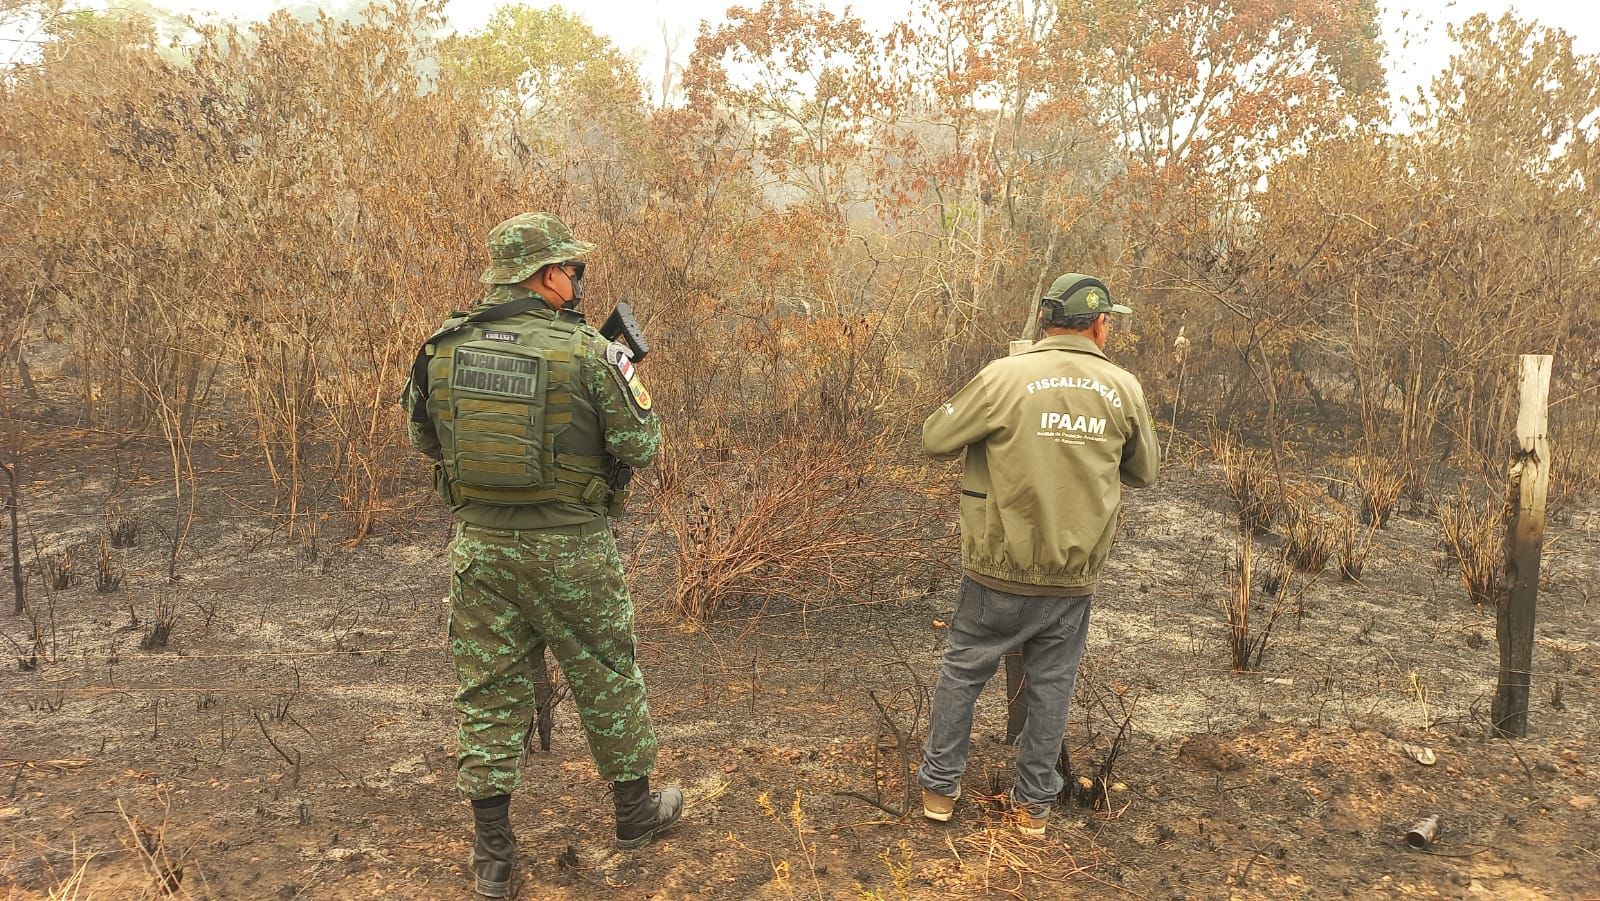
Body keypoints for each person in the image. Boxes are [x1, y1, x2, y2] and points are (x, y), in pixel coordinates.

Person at [400, 213, 682, 898]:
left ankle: (494, 855)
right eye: (572, 269)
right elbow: (643, 446)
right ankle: (633, 813)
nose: (578, 280)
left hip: (482, 551)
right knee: (607, 673)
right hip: (572, 547)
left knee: (487, 692)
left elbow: (425, 439)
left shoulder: (443, 346)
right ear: (545, 274)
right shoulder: (589, 350)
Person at [915, 273, 1159, 836]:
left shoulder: (1005, 375)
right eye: (1108, 321)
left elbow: (934, 438)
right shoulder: (1124, 387)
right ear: (1099, 325)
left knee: (962, 670)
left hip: (997, 568)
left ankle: (939, 792)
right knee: (1053, 683)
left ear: (1046, 319)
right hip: (1071, 578)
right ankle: (1032, 809)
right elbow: (1145, 471)